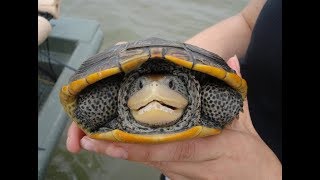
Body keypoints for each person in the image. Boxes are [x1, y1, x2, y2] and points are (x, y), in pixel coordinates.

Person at [66, 0, 282, 179]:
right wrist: (168, 58)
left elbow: (224, 100)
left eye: (170, 85)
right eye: (140, 86)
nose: (154, 91)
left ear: (191, 96)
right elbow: (247, 22)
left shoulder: (208, 99)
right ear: (124, 97)